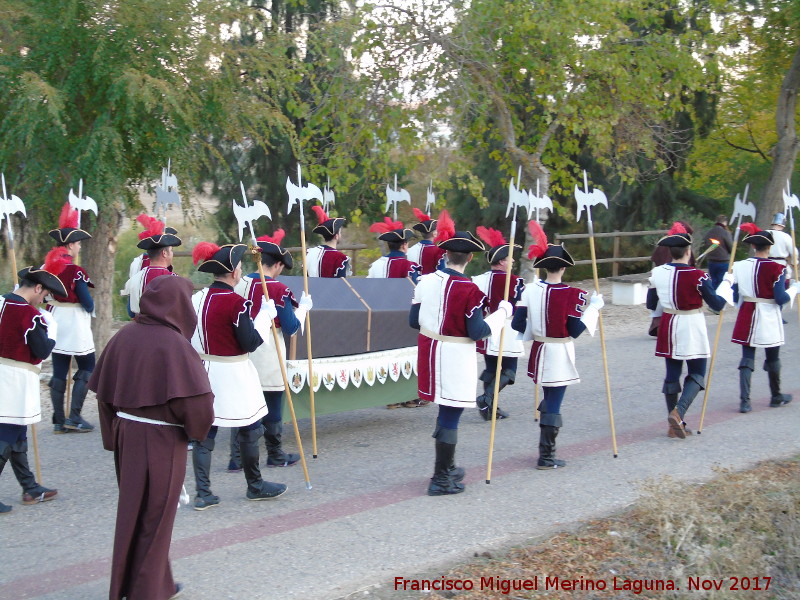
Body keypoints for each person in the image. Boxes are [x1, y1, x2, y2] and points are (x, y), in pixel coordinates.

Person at [89, 276, 215, 600]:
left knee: (135, 514)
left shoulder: (124, 335)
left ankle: (154, 582)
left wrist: (112, 438)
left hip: (126, 436)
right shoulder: (175, 346)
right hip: (160, 441)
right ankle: (147, 592)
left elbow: (103, 396)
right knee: (156, 519)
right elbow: (197, 406)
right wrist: (195, 433)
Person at [410, 210, 510, 495]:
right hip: (454, 355)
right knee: (450, 414)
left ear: (445, 254)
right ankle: (441, 478)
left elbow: (412, 320)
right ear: (469, 258)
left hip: (429, 349)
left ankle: (448, 467)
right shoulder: (471, 289)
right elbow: (477, 331)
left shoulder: (425, 281)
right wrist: (501, 315)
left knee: (445, 411)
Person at [189, 242, 286, 510]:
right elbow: (251, 342)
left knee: (205, 433)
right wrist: (265, 317)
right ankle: (254, 486)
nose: (241, 272)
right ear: (233, 273)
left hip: (203, 370)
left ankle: (203, 493)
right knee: (251, 428)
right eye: (240, 268)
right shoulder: (236, 303)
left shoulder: (195, 299)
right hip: (233, 370)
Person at [511, 242, 604, 469]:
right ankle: (546, 456)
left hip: (540, 350)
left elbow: (517, 323)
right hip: (559, 352)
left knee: (549, 398)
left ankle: (546, 447)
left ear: (544, 267)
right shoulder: (574, 294)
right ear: (563, 268)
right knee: (554, 402)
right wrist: (593, 309)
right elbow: (574, 331)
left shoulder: (530, 290)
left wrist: (537, 328)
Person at [233, 230, 312, 469]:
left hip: (242, 350)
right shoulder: (277, 289)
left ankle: (236, 458)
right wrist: (303, 309)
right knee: (273, 404)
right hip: (268, 351)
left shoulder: (240, 283)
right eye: (280, 267)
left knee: (244, 404)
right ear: (276, 264)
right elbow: (290, 327)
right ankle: (275, 454)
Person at [646, 223, 728, 439]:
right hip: (691, 324)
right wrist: (726, 287)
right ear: (688, 251)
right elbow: (717, 305)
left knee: (672, 375)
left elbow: (650, 303)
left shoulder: (657, 273)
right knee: (698, 373)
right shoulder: (697, 275)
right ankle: (678, 413)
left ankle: (674, 426)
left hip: (669, 322)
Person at [0, 253, 66, 513]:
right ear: (38, 288)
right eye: (44, 295)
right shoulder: (29, 314)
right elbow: (41, 350)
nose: (43, 301)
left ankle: (29, 487)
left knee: (17, 435)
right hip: (15, 380)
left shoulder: (1, 302)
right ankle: (29, 487)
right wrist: (51, 333)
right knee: (6, 435)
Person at [722, 225, 799, 413]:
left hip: (747, 312)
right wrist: (795, 288)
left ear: (754, 247)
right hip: (768, 314)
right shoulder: (777, 268)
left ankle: (745, 401)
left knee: (747, 358)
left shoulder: (739, 266)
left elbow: (733, 292)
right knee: (772, 357)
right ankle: (775, 395)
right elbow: (780, 298)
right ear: (769, 248)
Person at [46, 203, 96, 433]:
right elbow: (86, 301)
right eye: (76, 243)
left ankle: (58, 420)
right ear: (69, 244)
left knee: (59, 367)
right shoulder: (76, 270)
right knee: (87, 365)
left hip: (54, 318)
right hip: (74, 320)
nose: (78, 248)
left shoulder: (46, 266)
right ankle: (74, 417)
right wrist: (90, 306)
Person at [472, 226, 524, 421]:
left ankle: (489, 409)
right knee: (509, 371)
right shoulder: (515, 281)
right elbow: (519, 307)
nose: (513, 260)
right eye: (510, 258)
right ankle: (487, 399)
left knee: (491, 369)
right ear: (502, 261)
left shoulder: (477, 280)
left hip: (485, 327)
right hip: (507, 329)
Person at [123, 214, 181, 316]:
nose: (172, 254)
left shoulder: (135, 278)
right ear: (164, 253)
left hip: (139, 326)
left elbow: (130, 312)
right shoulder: (175, 280)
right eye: (171, 250)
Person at [367, 217, 422, 283]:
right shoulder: (409, 266)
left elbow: (369, 286)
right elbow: (415, 290)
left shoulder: (376, 265)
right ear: (404, 246)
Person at [306, 206, 350, 277]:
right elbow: (341, 284)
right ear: (336, 236)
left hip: (311, 288)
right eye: (340, 233)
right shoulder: (340, 258)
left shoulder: (310, 253)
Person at [407, 208, 445, 275]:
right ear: (434, 234)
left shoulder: (411, 250)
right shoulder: (438, 251)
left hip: (413, 284)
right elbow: (442, 273)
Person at [703, 215, 733, 289]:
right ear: (725, 222)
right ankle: (718, 298)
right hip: (723, 261)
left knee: (713, 281)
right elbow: (730, 247)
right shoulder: (725, 232)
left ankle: (713, 297)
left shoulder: (709, 232)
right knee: (721, 282)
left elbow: (705, 243)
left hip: (711, 260)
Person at [766, 212, 799, 281]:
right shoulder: (786, 236)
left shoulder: (764, 233)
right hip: (780, 266)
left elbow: (757, 249)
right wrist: (794, 262)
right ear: (783, 224)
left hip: (764, 265)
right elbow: (794, 252)